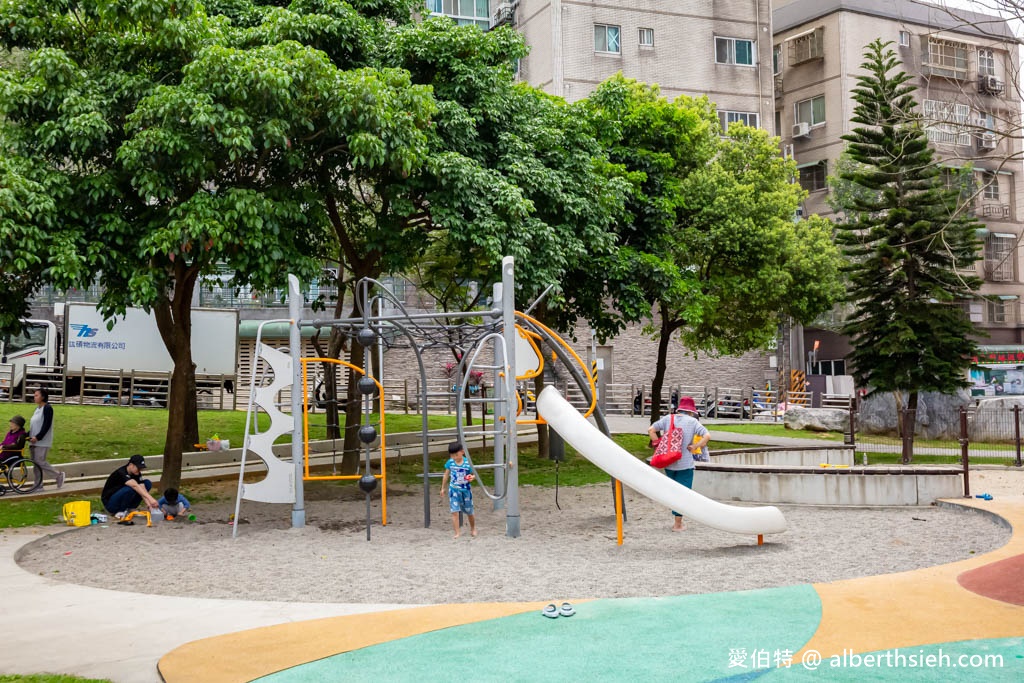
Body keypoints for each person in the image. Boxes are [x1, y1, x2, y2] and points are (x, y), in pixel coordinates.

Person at [647, 396, 711, 532]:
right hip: (685, 463)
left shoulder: (668, 418)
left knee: (673, 491)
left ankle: (676, 519)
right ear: (691, 411)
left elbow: (651, 430)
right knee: (682, 493)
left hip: (668, 462)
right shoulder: (693, 422)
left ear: (679, 408)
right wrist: (695, 446)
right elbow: (707, 435)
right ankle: (678, 524)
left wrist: (658, 444)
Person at [28, 388, 63, 489]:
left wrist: (38, 437)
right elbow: (34, 425)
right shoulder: (37, 409)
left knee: (40, 461)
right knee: (35, 464)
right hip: (33, 440)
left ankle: (58, 475)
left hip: (42, 441)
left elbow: (46, 424)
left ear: (43, 397)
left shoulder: (47, 408)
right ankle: (38, 485)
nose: (34, 397)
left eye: (36, 395)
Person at [440, 442, 477, 539]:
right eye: (452, 455)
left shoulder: (467, 463)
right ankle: (457, 532)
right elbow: (446, 475)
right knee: (454, 512)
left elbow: (473, 474)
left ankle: (473, 528)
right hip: (454, 490)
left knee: (469, 511)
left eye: (456, 455)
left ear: (462, 452)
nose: (454, 457)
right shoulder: (450, 463)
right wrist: (443, 488)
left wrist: (472, 478)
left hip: (465, 491)